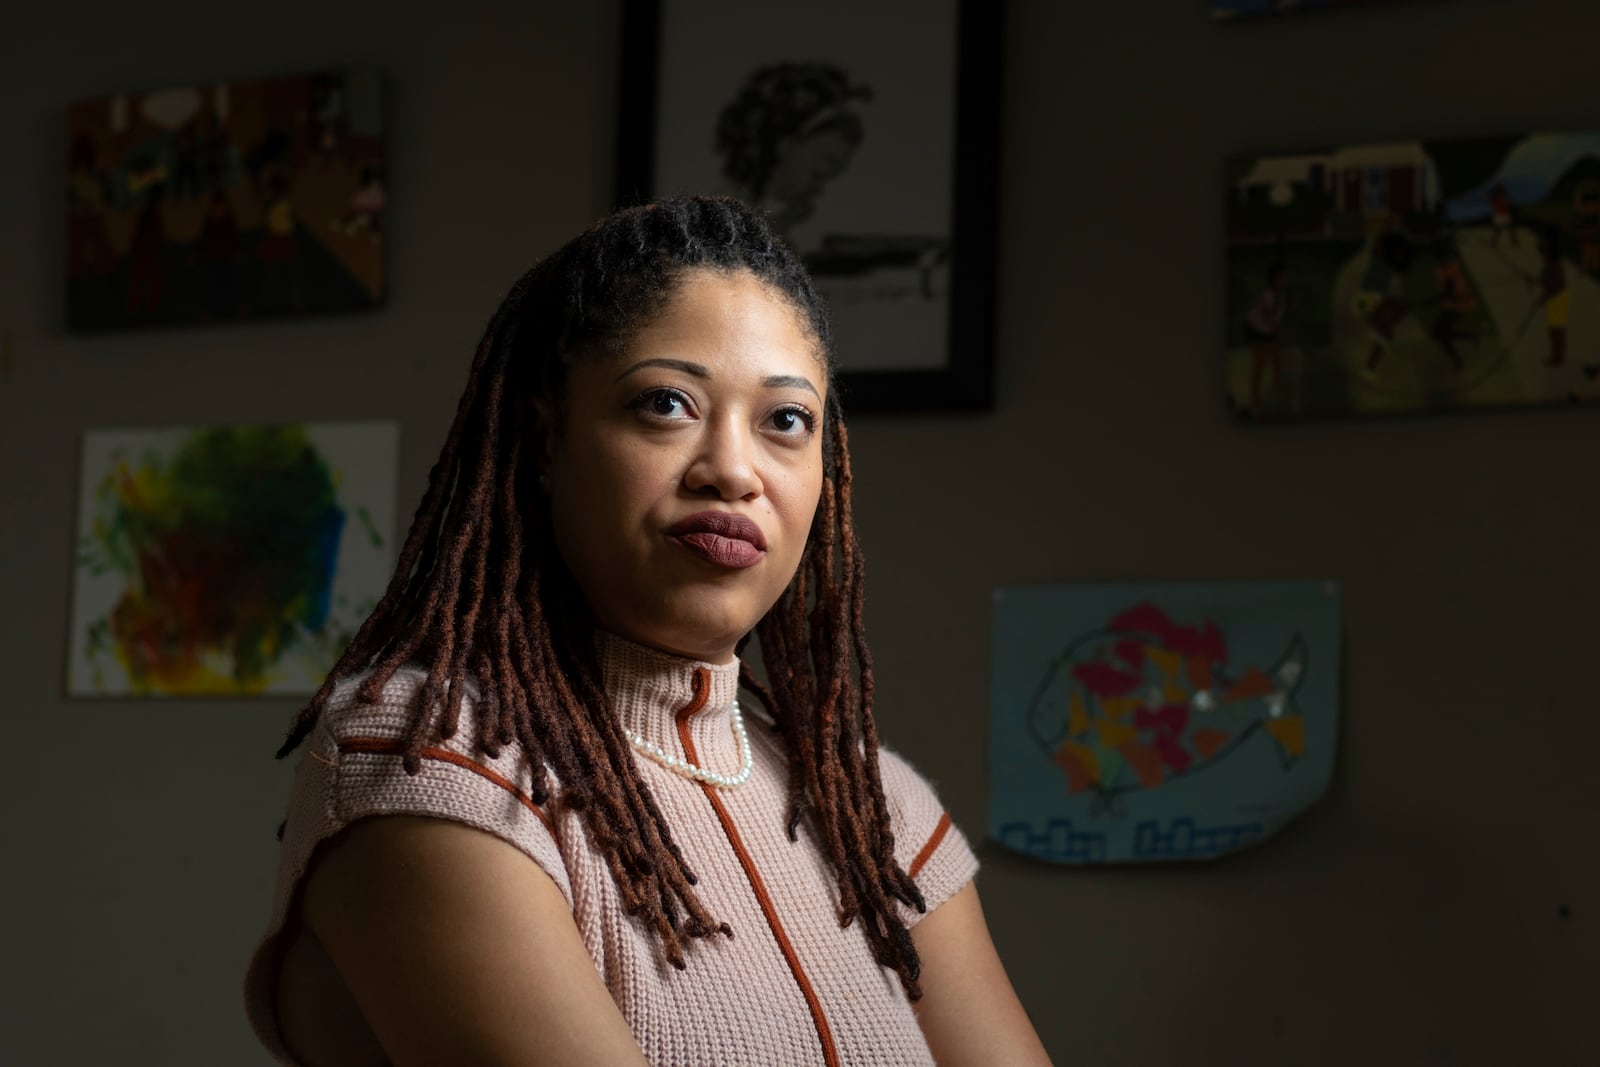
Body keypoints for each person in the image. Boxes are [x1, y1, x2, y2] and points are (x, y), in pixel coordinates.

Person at [243, 195, 1052, 1067]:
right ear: (544, 441)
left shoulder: (876, 811)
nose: (733, 470)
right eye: (666, 403)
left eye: (786, 421)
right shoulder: (431, 758)